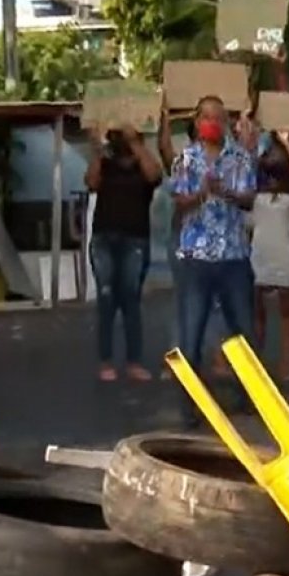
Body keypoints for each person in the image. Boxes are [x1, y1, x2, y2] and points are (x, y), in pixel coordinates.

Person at [169, 95, 258, 427]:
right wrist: (202, 193)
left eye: (219, 118)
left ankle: (249, 398)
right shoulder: (186, 160)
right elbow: (179, 204)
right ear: (197, 120)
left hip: (234, 256)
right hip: (197, 257)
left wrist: (226, 193)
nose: (213, 123)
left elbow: (249, 200)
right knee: (191, 333)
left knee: (243, 332)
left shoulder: (240, 157)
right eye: (207, 117)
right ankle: (189, 405)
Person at [83, 123, 163, 382]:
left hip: (135, 240)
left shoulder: (143, 164)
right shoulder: (106, 163)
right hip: (104, 238)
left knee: (131, 300)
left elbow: (154, 176)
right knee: (106, 300)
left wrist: (136, 143)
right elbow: (91, 182)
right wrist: (97, 148)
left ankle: (133, 361)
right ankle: (105, 360)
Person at [252, 130, 289, 380]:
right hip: (258, 253)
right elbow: (248, 163)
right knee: (257, 314)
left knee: (287, 313)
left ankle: (287, 363)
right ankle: (255, 363)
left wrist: (286, 142)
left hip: (283, 253)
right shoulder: (254, 194)